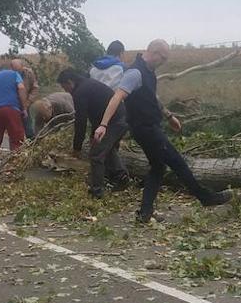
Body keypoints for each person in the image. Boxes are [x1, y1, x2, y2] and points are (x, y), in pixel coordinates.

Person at [94, 39, 231, 222]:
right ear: (154, 53)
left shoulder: (149, 73)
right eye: (163, 58)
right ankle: (205, 197)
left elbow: (153, 98)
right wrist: (103, 124)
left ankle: (145, 212)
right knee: (177, 162)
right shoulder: (135, 73)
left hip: (150, 127)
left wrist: (169, 116)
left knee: (158, 168)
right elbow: (117, 97)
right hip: (145, 129)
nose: (163, 62)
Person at [58, 68, 130, 198]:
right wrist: (93, 135)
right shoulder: (88, 84)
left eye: (65, 87)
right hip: (121, 117)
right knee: (108, 149)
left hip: (114, 121)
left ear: (70, 82)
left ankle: (96, 191)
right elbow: (96, 112)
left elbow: (81, 121)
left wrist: (77, 148)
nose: (65, 91)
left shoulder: (80, 92)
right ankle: (121, 177)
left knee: (96, 154)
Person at [10, 58, 39, 138]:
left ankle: (32, 145)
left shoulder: (29, 73)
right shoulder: (9, 75)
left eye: (19, 70)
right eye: (15, 70)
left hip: (26, 102)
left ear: (22, 66)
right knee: (15, 129)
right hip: (14, 104)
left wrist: (28, 101)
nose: (17, 72)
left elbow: (35, 88)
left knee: (28, 128)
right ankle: (17, 146)